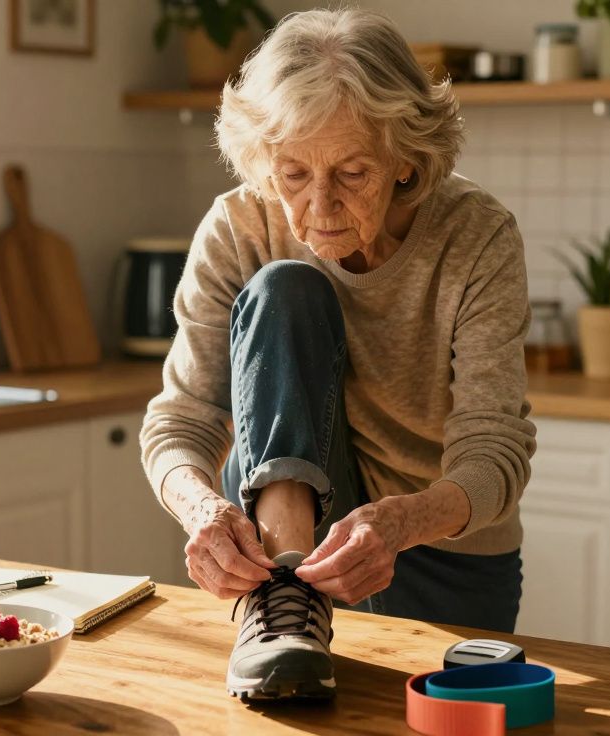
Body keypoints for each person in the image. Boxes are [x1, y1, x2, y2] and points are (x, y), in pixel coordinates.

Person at [139, 8, 537, 701]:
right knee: (286, 288)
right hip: (283, 550)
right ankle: (286, 594)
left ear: (406, 160)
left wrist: (404, 520)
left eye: (352, 172)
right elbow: (179, 423)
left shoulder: (478, 236)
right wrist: (202, 510)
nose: (318, 205)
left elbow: (494, 448)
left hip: (441, 543)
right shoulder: (238, 226)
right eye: (291, 173)